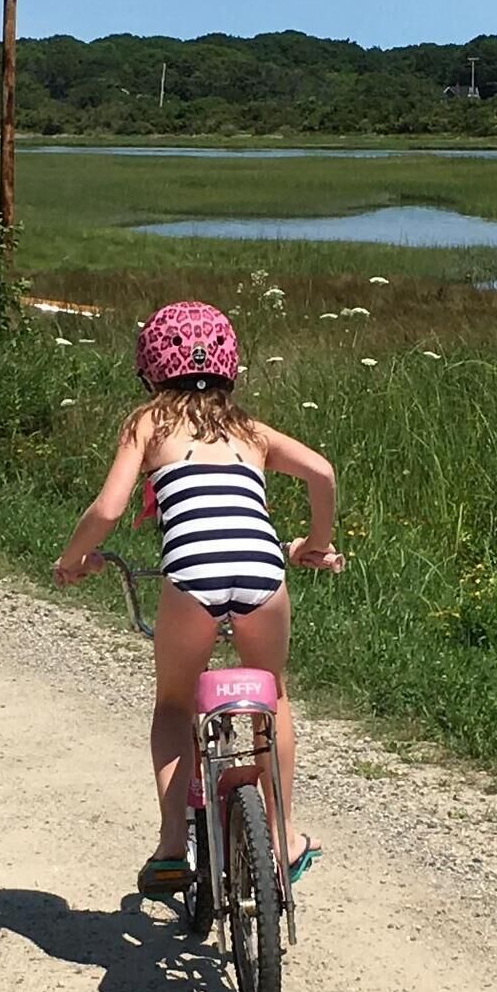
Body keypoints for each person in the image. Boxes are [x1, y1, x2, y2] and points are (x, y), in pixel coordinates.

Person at [52, 299, 343, 903]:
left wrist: (74, 559)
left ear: (151, 369)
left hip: (190, 576)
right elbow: (322, 472)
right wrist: (316, 544)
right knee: (275, 692)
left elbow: (108, 510)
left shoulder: (148, 425)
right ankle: (285, 838)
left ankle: (169, 847)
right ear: (231, 366)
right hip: (264, 573)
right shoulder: (251, 432)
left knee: (174, 704)